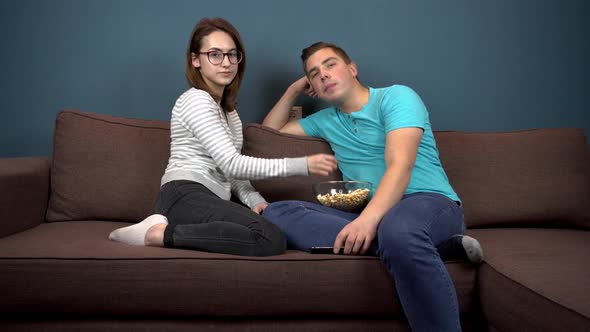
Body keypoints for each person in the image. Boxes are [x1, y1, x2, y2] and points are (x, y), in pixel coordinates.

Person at [261, 41, 483, 331]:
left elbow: (400, 165)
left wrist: (367, 221)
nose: (323, 75)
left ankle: (406, 240)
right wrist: (293, 90)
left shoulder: (397, 97)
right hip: (378, 217)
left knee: (399, 229)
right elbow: (266, 133)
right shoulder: (325, 120)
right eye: (314, 74)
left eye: (330, 65)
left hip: (429, 203)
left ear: (352, 69)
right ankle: (435, 248)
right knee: (277, 213)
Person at [108, 18, 337, 257]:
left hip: (208, 198)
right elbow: (233, 164)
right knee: (269, 237)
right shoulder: (196, 100)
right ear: (195, 60)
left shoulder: (229, 113)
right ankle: (157, 234)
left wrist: (255, 201)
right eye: (214, 55)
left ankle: (164, 231)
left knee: (273, 232)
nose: (226, 63)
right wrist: (302, 165)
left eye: (232, 54)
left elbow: (230, 172)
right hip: (184, 195)